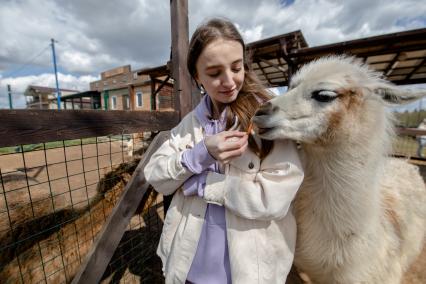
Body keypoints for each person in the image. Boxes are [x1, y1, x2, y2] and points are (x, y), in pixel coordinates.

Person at [144, 17, 304, 284]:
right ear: (197, 77)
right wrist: (201, 152)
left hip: (248, 268)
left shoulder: (268, 120)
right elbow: (156, 176)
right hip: (190, 262)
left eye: (236, 67)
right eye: (215, 73)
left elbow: (276, 197)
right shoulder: (190, 125)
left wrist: (207, 184)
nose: (229, 81)